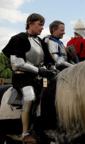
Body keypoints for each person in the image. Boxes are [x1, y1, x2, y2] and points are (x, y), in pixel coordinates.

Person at [2, 13, 56, 143]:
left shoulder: (41, 42)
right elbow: (17, 63)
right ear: (30, 23)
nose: (42, 28)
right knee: (30, 96)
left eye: (43, 25)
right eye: (40, 24)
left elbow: (49, 60)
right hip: (22, 78)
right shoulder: (18, 39)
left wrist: (52, 69)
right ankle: (25, 133)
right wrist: (39, 70)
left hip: (38, 78)